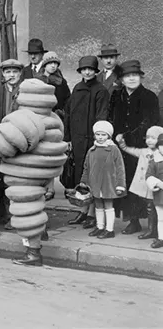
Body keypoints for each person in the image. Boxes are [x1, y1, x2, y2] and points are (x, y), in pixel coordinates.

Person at [109, 59, 160, 234]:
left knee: (144, 185)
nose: (132, 79)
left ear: (141, 78)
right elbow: (111, 118)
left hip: (141, 148)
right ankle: (133, 220)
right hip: (120, 147)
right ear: (121, 80)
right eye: (127, 76)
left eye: (135, 75)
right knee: (126, 182)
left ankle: (153, 226)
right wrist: (115, 136)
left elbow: (149, 122)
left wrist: (128, 137)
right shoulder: (117, 96)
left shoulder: (149, 97)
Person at [63, 56, 109, 227]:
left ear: (95, 71)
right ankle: (82, 211)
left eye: (90, 69)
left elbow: (101, 116)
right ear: (80, 71)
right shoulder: (77, 88)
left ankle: (92, 214)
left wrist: (99, 139)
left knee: (93, 177)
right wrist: (68, 138)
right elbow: (68, 114)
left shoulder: (100, 90)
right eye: (84, 69)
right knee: (80, 176)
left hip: (93, 141)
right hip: (77, 140)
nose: (87, 72)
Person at [0, 58, 24, 228]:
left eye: (15, 72)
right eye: (8, 72)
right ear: (2, 74)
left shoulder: (26, 92)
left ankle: (16, 216)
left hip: (21, 142)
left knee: (18, 180)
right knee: (1, 178)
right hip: (1, 141)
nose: (12, 75)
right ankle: (3, 212)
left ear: (20, 74)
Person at [81, 121, 126, 239]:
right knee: (98, 205)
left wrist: (120, 185)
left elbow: (120, 168)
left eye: (104, 135)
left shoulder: (113, 150)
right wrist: (84, 181)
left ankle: (109, 229)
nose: (100, 137)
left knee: (108, 205)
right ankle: (100, 227)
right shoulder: (92, 150)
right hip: (95, 183)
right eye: (98, 134)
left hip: (108, 183)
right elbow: (86, 167)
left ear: (109, 136)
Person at [118, 125, 163, 241]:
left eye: (153, 138)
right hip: (141, 185)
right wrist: (122, 143)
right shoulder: (143, 151)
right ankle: (149, 228)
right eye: (147, 137)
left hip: (153, 186)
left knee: (152, 207)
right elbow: (129, 150)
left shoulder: (160, 153)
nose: (149, 140)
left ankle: (152, 230)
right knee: (146, 205)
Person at [144, 134, 163, 249]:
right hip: (160, 195)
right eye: (161, 146)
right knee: (161, 217)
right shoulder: (155, 161)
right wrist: (157, 183)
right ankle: (161, 238)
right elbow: (149, 175)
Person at [38, 52, 70, 116]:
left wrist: (63, 112)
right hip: (41, 116)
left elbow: (68, 99)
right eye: (50, 63)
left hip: (59, 117)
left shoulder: (61, 81)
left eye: (55, 63)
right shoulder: (38, 81)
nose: (53, 65)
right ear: (44, 65)